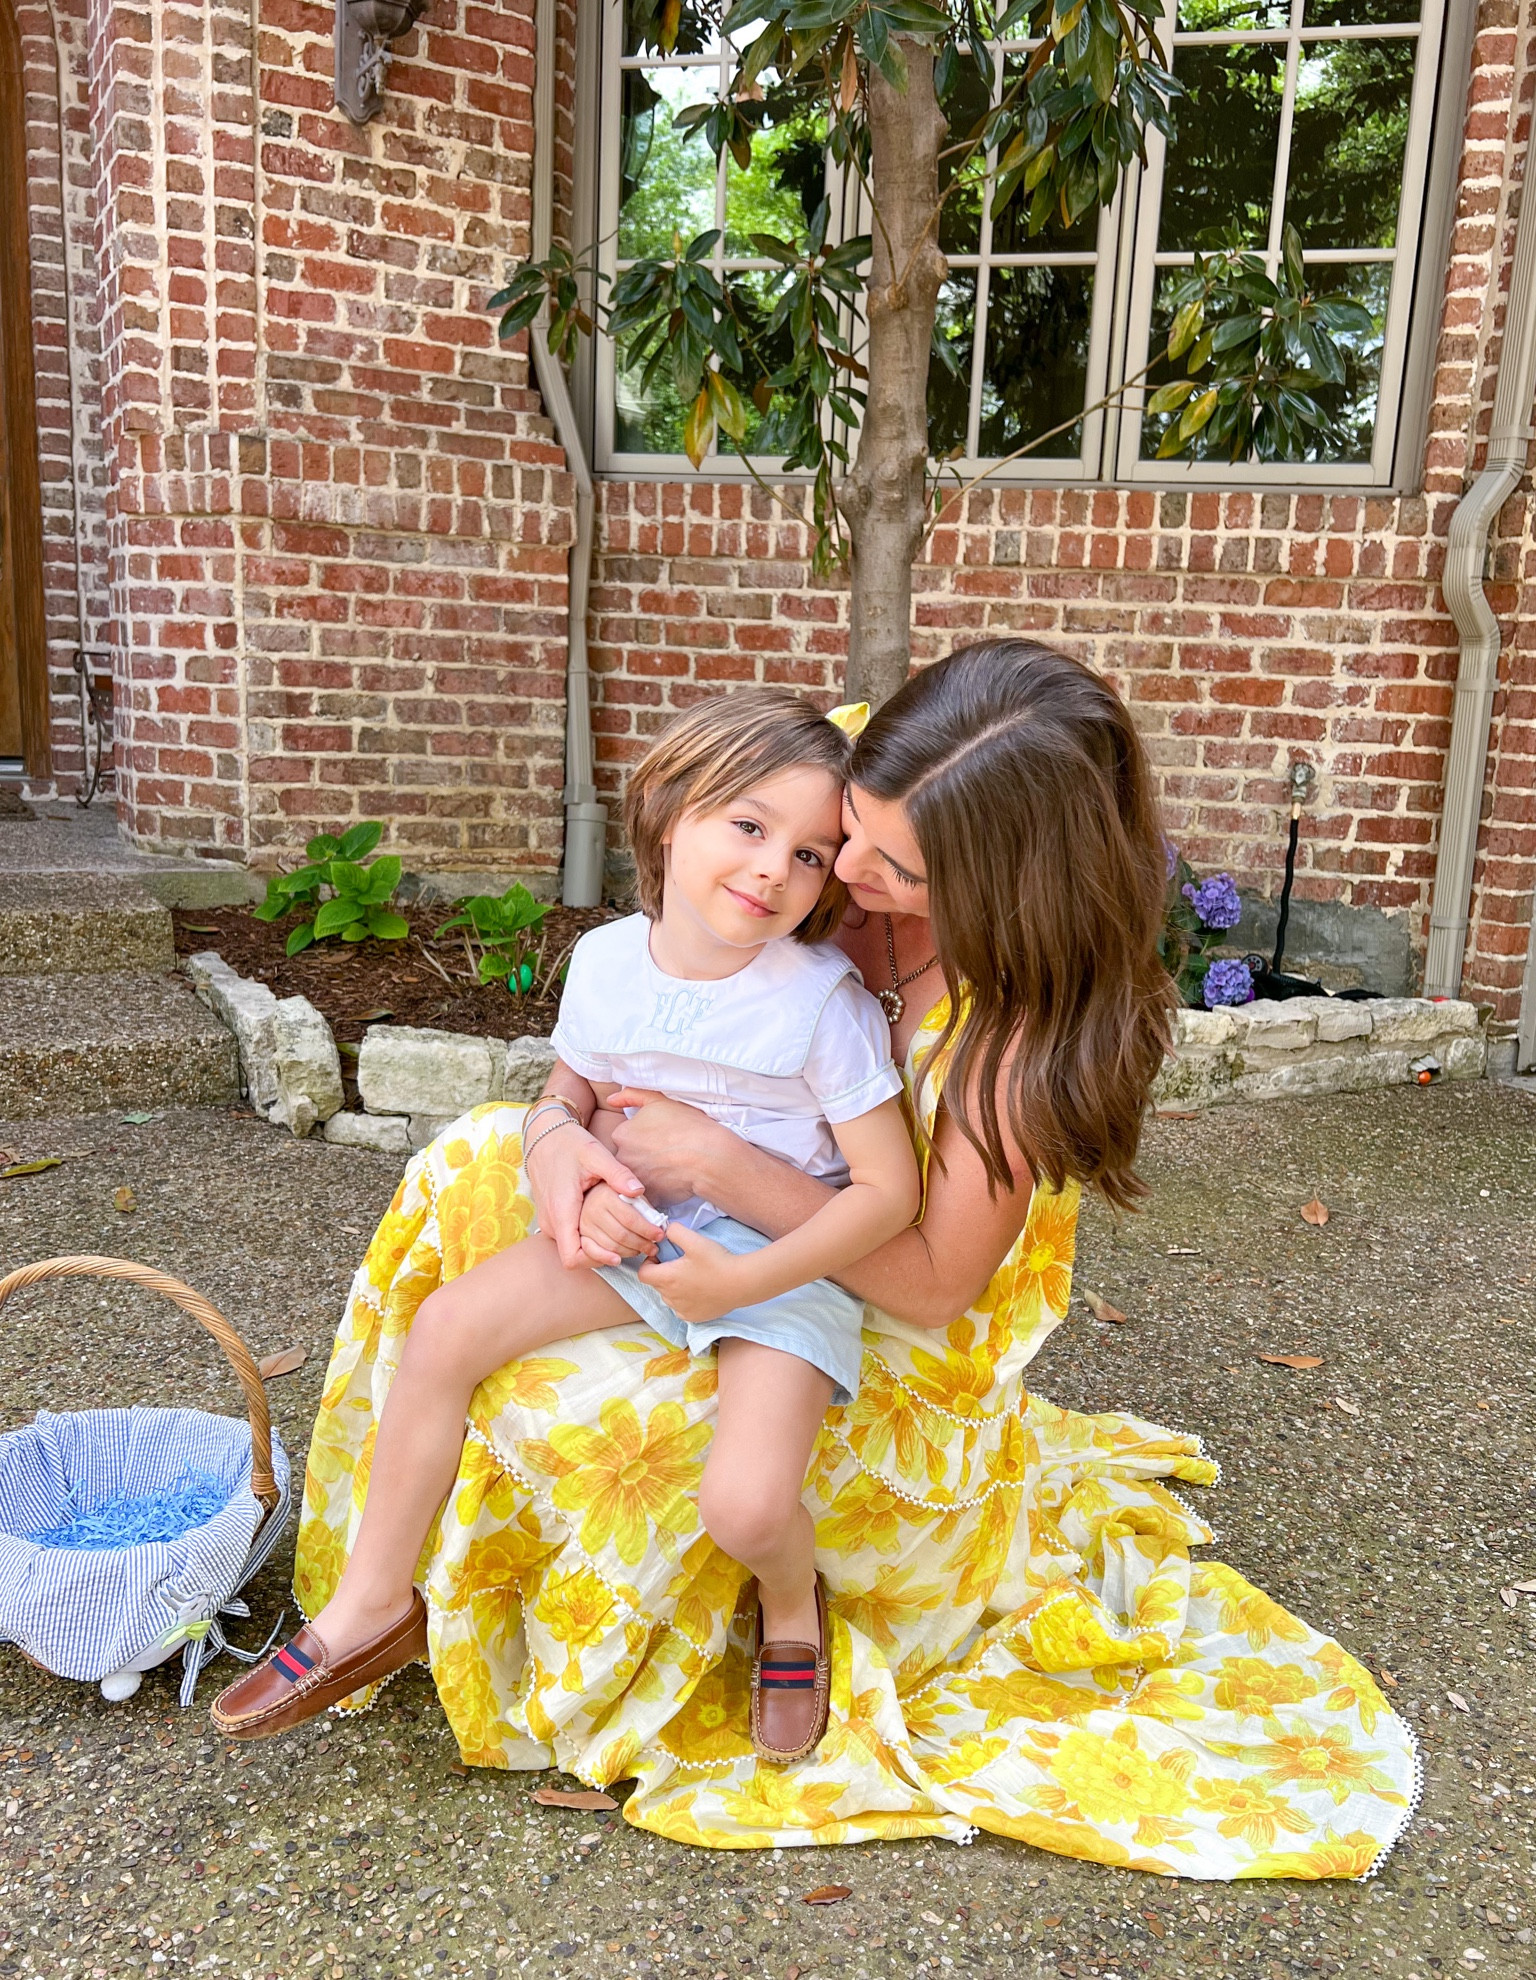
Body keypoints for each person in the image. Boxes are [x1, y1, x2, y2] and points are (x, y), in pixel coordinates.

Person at [278, 641, 1417, 1876]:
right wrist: (561, 1144)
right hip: (698, 1211)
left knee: (665, 1456)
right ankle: (379, 1595)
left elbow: (932, 1281)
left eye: (889, 865)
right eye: (848, 830)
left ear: (1001, 884)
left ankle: (778, 1603)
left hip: (880, 1307)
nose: (833, 871)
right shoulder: (831, 793)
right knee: (472, 1162)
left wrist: (716, 1167)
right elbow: (609, 1042)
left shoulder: (1014, 1040)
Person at [212, 691, 921, 1761]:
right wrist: (565, 1169)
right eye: (750, 826)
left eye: (814, 854)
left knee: (744, 1503)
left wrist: (743, 1282)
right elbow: (572, 1093)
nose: (777, 869)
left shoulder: (817, 1001)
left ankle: (788, 1600)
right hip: (638, 1231)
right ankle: (372, 1606)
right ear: (672, 809)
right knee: (447, 1328)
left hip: (783, 1262)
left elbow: (887, 1194)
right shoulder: (604, 963)